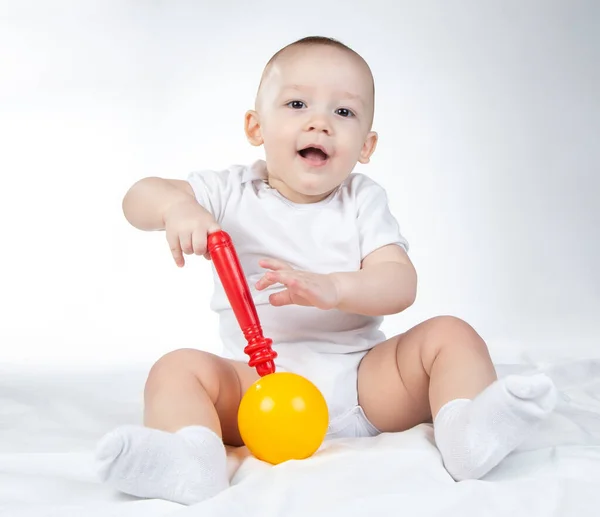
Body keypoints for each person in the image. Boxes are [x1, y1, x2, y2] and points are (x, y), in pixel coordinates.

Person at [96, 36, 557, 505]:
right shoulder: (229, 191)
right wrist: (176, 208)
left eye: (344, 113)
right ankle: (191, 461)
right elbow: (138, 196)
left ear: (366, 145)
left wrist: (336, 287)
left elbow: (400, 283)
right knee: (176, 369)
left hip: (363, 383)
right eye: (297, 103)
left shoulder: (362, 200)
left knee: (450, 335)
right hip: (257, 389)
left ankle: (468, 434)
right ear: (256, 127)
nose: (320, 122)